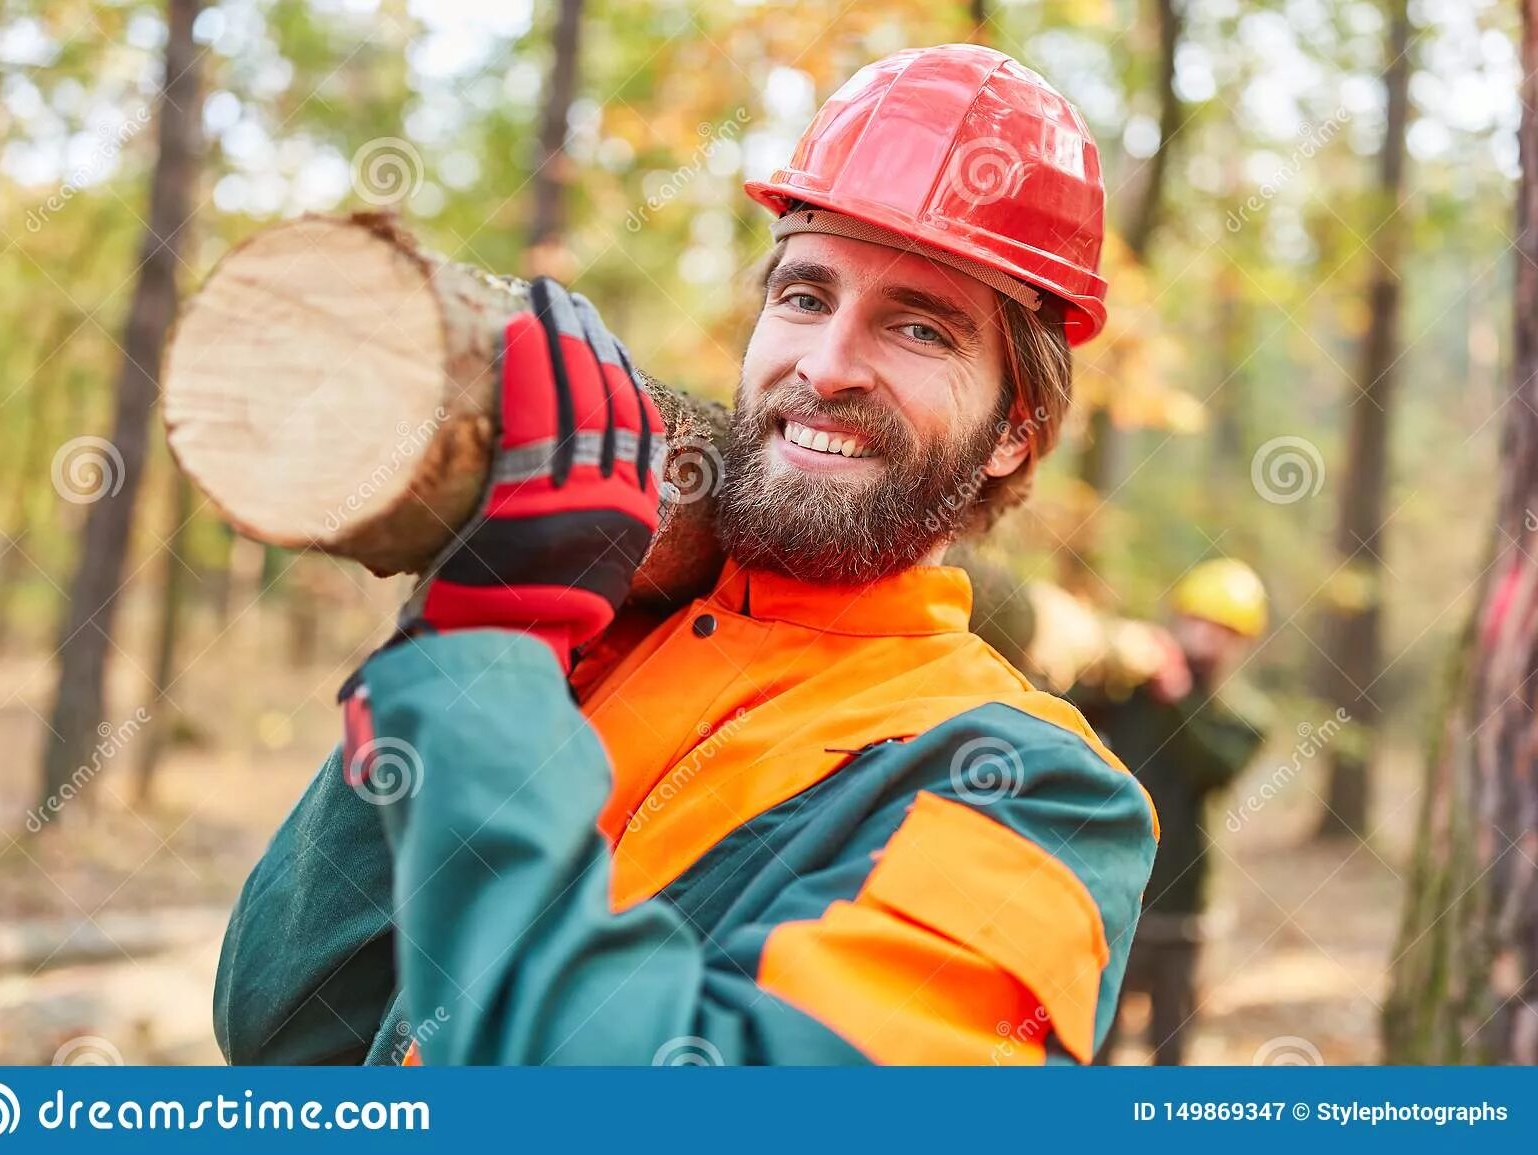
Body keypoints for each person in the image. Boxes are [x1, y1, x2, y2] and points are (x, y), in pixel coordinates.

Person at [214, 43, 1156, 1067]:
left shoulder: (1040, 793)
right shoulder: (589, 634)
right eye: (804, 297)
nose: (827, 366)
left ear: (1016, 429)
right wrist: (471, 616)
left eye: (919, 330)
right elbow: (286, 1028)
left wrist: (488, 665)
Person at [1080, 558, 1273, 1065]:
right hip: (1111, 891)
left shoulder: (1240, 717)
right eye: (1200, 621)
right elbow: (1062, 706)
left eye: (1224, 630)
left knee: (1172, 1044)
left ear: (1240, 642)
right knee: (1095, 1039)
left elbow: (1214, 769)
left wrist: (1180, 697)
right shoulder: (1127, 690)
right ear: (1179, 617)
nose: (1207, 637)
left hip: (1182, 907)